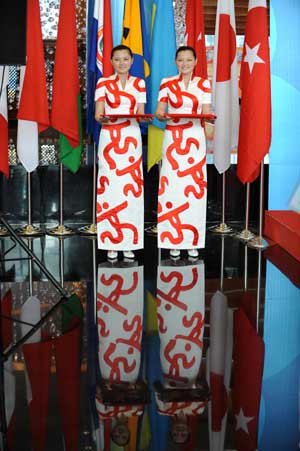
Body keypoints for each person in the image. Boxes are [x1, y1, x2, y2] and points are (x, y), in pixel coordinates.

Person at [156, 46, 212, 259]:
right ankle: (173, 239)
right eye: (181, 60)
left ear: (196, 61)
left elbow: (206, 113)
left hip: (195, 137)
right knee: (172, 187)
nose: (185, 63)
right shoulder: (166, 82)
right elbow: (160, 111)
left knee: (194, 189)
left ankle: (192, 240)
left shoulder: (203, 84)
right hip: (173, 137)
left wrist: (208, 118)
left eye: (189, 60)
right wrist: (162, 116)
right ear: (175, 61)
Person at [95, 45, 146, 261]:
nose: (122, 63)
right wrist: (104, 119)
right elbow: (98, 114)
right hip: (110, 138)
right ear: (111, 61)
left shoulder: (139, 83)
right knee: (110, 189)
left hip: (132, 137)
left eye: (125, 59)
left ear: (132, 60)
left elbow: (141, 114)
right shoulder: (103, 83)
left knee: (131, 191)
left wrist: (143, 118)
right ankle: (110, 241)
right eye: (117, 59)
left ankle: (129, 242)